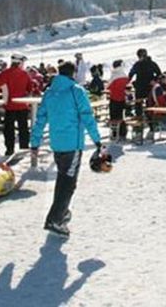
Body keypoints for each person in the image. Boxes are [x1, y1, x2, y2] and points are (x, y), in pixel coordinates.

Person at [30, 61, 102, 237]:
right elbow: (87, 116)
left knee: (63, 179)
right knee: (68, 183)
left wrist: (35, 143)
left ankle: (62, 211)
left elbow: (41, 119)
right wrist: (97, 140)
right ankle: (55, 219)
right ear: (73, 73)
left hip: (58, 144)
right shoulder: (76, 91)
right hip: (73, 144)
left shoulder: (49, 92)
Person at [0, 54, 34, 155]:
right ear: (20, 63)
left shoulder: (5, 73)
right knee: (23, 128)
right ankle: (24, 147)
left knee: (9, 129)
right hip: (22, 105)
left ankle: (9, 149)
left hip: (9, 106)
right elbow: (30, 88)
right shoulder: (24, 74)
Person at [108, 60, 130, 140]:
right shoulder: (124, 75)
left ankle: (114, 134)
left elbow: (108, 86)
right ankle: (123, 132)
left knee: (114, 117)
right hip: (122, 98)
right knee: (121, 116)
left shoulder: (114, 75)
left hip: (114, 98)